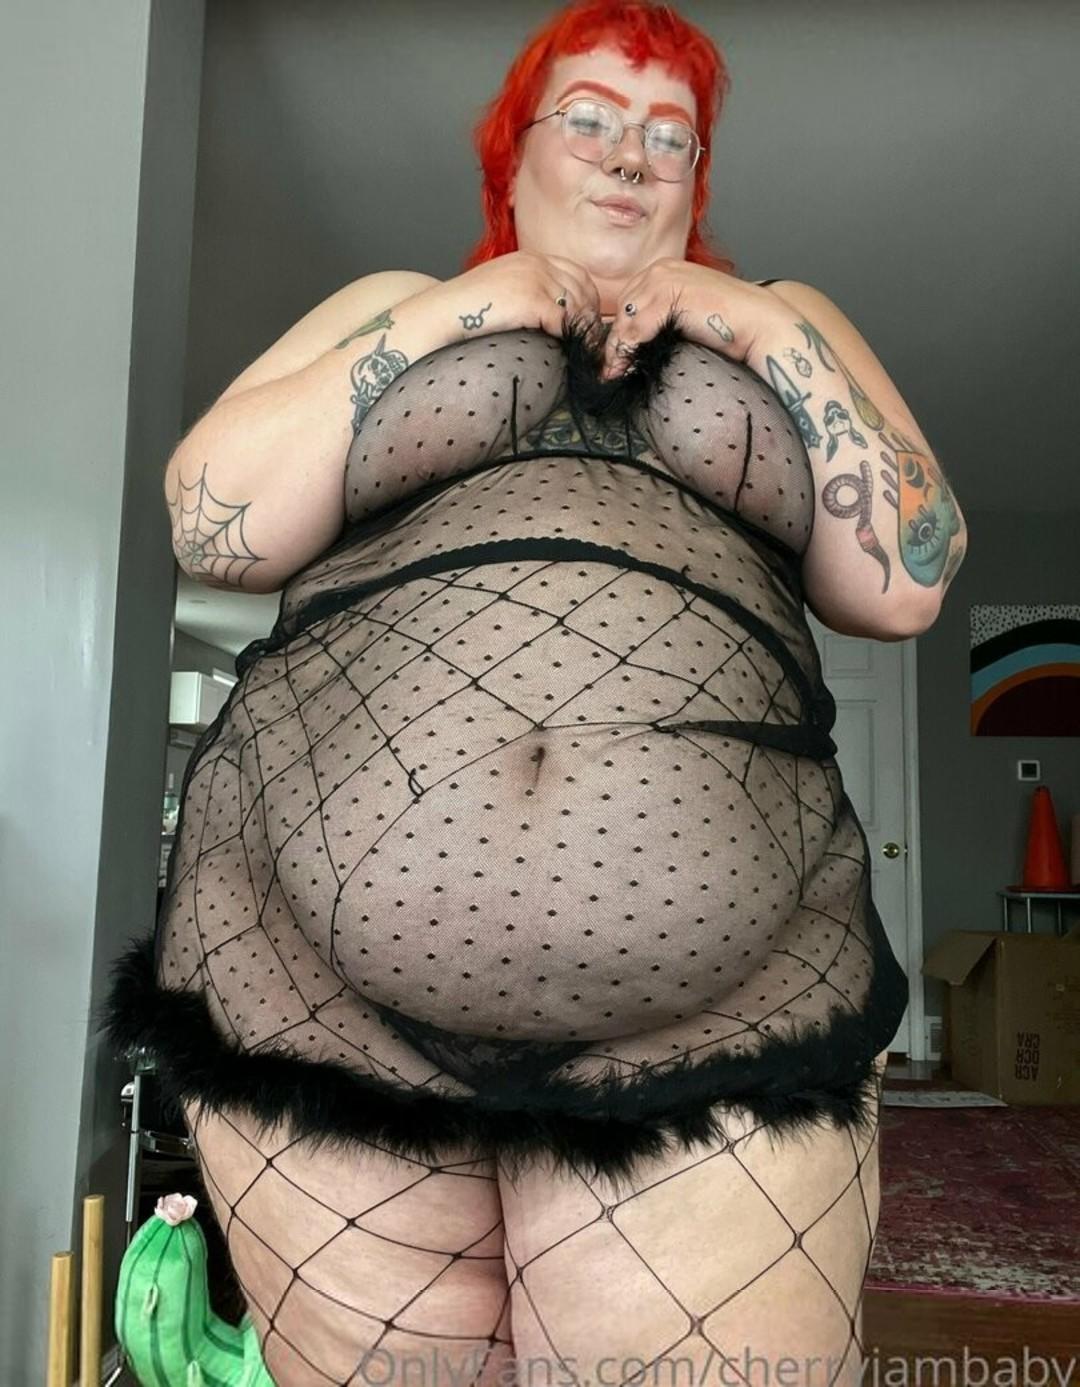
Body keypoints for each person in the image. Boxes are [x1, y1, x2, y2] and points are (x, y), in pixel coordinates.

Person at [105, 1, 966, 1383]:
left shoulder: (784, 320)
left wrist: (750, 321)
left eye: (671, 135)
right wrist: (471, 306)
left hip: (726, 1000)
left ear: (696, 180)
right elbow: (218, 522)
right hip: (303, 971)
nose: (631, 153)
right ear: (513, 153)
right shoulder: (394, 302)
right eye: (593, 117)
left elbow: (905, 578)